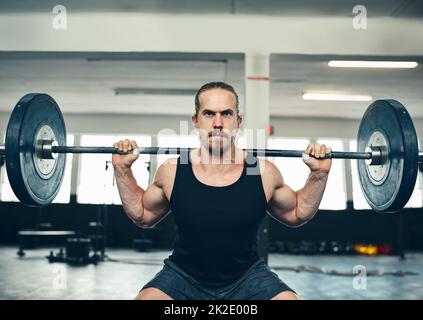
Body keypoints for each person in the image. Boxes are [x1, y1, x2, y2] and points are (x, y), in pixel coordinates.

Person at [112, 82, 332, 300]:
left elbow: (296, 213)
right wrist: (122, 169)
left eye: (226, 114)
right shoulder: (173, 171)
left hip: (246, 277)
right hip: (183, 276)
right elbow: (142, 215)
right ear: (195, 121)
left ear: (238, 121)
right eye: (209, 114)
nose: (218, 123)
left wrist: (319, 175)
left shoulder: (262, 172)